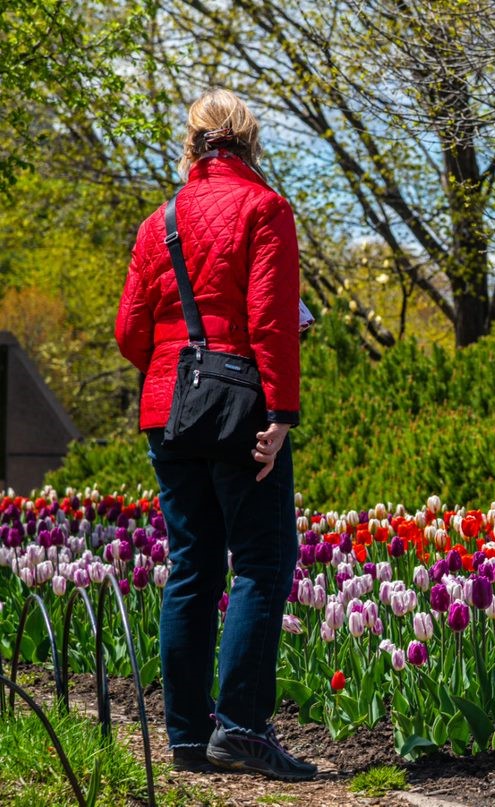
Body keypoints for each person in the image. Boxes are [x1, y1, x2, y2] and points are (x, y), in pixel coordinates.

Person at [115, 89, 315, 781]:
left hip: (167, 410)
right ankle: (242, 727)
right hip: (240, 407)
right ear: (249, 140)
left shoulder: (158, 221)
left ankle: (185, 738)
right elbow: (270, 323)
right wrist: (280, 414)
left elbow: (128, 332)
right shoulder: (266, 209)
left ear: (195, 141)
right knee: (262, 558)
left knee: (193, 565)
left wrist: (175, 374)